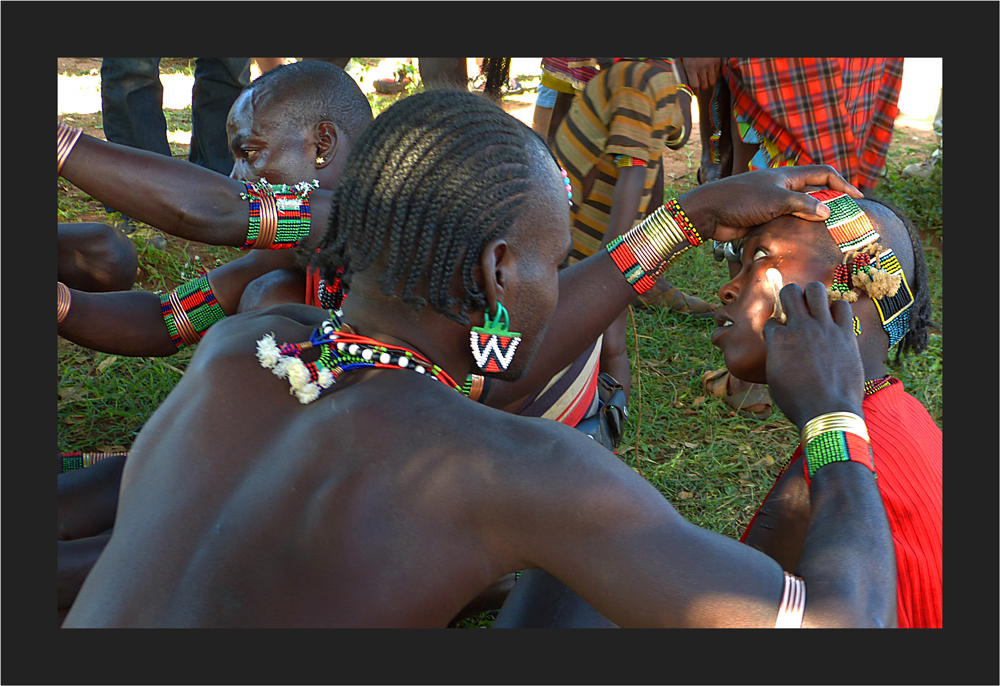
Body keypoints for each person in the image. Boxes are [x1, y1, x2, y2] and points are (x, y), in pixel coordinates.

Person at [61, 88, 895, 629]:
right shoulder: (517, 469)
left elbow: (502, 363)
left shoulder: (245, 347)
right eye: (552, 258)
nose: (552, 280)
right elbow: (840, 630)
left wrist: (683, 219)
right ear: (498, 269)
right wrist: (834, 413)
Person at [711, 192, 941, 627]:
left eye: (760, 257)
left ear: (853, 283)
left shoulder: (815, 491)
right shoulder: (906, 415)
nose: (727, 288)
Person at [702, 57, 906, 419]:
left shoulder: (838, 465)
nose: (725, 289)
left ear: (844, 288)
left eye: (761, 257)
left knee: (805, 193)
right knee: (763, 187)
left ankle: (753, 371)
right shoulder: (851, 453)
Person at [553, 56, 710, 401]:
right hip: (598, 246)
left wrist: (611, 261)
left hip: (586, 246)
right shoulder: (660, 81)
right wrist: (680, 81)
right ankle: (610, 419)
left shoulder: (631, 82)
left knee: (594, 339)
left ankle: (593, 417)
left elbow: (634, 171)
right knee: (611, 341)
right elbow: (679, 135)